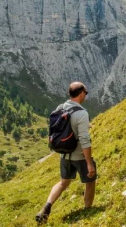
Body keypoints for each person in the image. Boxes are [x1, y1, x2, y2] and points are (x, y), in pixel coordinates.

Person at [35, 82, 97, 223]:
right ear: (81, 93)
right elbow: (84, 140)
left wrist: (85, 125)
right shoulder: (82, 113)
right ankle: (88, 211)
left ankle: (46, 207)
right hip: (79, 155)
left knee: (63, 182)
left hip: (64, 154)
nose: (86, 95)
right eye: (85, 93)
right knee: (90, 181)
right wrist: (89, 163)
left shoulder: (61, 107)